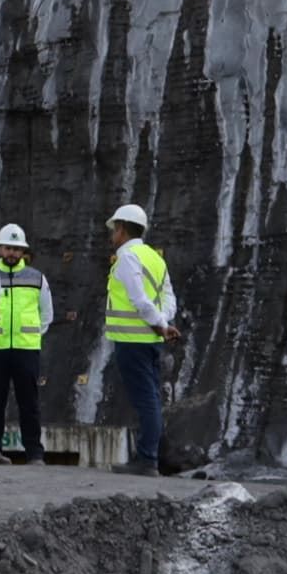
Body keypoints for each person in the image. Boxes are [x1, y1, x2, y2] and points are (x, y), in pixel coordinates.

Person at [104, 202, 179, 475]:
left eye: (114, 230)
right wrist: (164, 322)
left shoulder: (127, 258)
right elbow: (169, 296)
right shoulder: (155, 258)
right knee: (151, 398)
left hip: (131, 341)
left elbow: (138, 299)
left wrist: (160, 324)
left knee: (146, 400)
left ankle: (147, 459)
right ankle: (150, 456)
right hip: (151, 341)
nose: (113, 235)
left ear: (122, 229)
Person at [0, 222, 50, 460]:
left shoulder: (36, 278)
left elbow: (47, 314)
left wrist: (31, 335)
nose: (11, 253)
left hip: (26, 349)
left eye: (16, 248)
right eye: (7, 248)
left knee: (29, 404)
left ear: (23, 252)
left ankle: (34, 452)